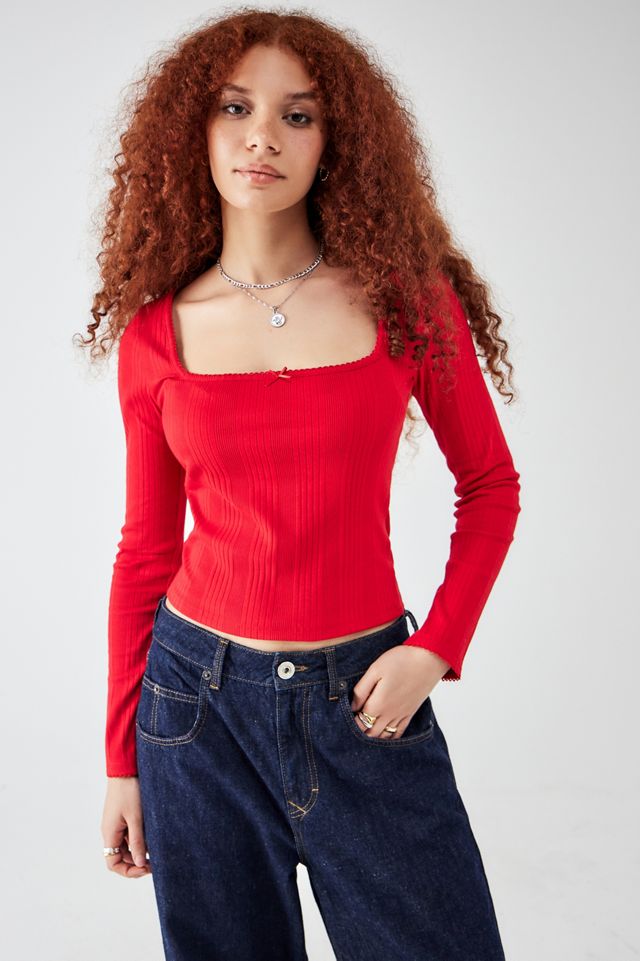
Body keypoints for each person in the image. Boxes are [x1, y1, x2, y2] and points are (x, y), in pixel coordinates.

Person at [81, 9, 521, 960]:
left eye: (298, 115)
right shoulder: (157, 334)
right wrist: (123, 760)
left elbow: (489, 483)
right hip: (195, 710)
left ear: (336, 141)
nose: (262, 138)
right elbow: (146, 551)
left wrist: (435, 648)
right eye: (235, 108)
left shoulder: (408, 303)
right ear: (194, 131)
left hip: (367, 701)